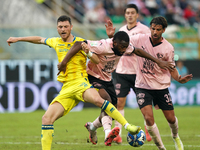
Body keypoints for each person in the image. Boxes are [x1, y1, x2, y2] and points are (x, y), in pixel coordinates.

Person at [7, 15, 141, 150]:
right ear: (57, 28)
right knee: (46, 119)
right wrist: (18, 39)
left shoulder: (81, 42)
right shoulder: (55, 42)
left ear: (71, 27)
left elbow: (96, 60)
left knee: (101, 101)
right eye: (60, 27)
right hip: (66, 89)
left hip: (81, 84)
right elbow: (39, 39)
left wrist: (88, 53)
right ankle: (94, 128)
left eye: (66, 26)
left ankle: (127, 126)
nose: (63, 29)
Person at [57, 30, 175, 146]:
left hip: (107, 79)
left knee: (112, 110)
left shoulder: (124, 46)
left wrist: (158, 61)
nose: (124, 50)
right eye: (122, 47)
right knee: (106, 101)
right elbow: (78, 44)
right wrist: (64, 62)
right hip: (93, 77)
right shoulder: (102, 45)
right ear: (114, 43)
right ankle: (108, 133)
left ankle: (92, 126)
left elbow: (138, 51)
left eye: (125, 47)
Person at [111, 16, 192, 150]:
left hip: (161, 86)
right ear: (150, 28)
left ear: (163, 30)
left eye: (158, 29)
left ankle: (175, 136)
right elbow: (124, 41)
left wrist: (178, 78)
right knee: (148, 118)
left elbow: (171, 68)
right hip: (142, 86)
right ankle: (161, 148)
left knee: (171, 119)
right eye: (153, 29)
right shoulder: (140, 38)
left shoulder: (168, 48)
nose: (155, 32)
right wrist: (112, 36)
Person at [106, 3, 152, 143]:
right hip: (121, 72)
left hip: (138, 72)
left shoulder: (144, 30)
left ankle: (148, 130)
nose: (130, 15)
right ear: (125, 15)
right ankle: (117, 132)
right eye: (128, 13)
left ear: (137, 15)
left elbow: (148, 48)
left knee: (143, 103)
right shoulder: (121, 30)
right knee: (119, 103)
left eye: (133, 13)